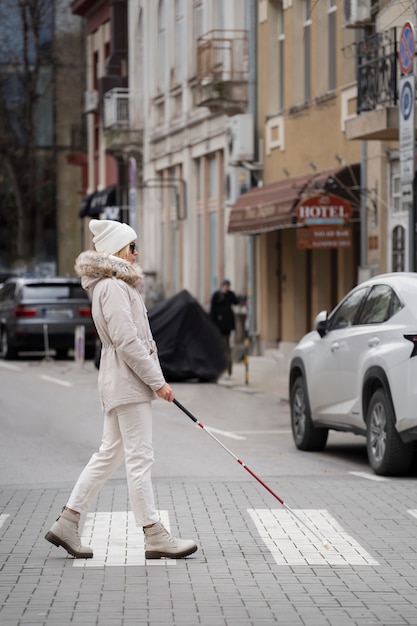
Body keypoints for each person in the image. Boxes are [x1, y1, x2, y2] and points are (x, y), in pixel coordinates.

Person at [45, 219, 197, 560]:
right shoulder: (112, 287)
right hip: (127, 381)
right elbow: (128, 341)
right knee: (140, 458)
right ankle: (154, 534)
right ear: (116, 249)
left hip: (121, 380)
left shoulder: (114, 285)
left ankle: (68, 522)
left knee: (109, 454)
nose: (136, 252)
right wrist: (157, 382)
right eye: (131, 246)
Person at [210, 279, 238, 377]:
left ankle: (228, 368)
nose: (226, 287)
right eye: (225, 285)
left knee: (226, 346)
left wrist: (230, 293)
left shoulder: (229, 295)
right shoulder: (217, 295)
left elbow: (236, 301)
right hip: (219, 326)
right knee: (220, 347)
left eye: (228, 286)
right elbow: (212, 310)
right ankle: (219, 367)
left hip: (227, 326)